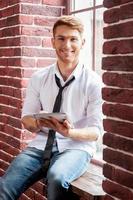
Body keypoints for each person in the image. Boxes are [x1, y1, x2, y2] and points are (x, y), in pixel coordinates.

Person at [0, 15, 103, 200]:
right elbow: (26, 119)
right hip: (40, 145)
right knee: (4, 187)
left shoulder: (94, 82)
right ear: (52, 42)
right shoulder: (39, 78)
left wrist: (70, 133)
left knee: (56, 178)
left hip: (76, 147)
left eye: (73, 39)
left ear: (82, 43)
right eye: (61, 38)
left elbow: (96, 132)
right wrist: (38, 121)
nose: (67, 45)